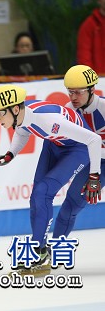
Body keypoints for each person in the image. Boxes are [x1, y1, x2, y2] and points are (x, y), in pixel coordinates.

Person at [0, 84, 102, 269]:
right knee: (36, 198)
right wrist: (10, 154)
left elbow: (94, 139)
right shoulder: (22, 116)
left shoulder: (48, 121)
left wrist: (94, 176)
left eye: (0, 113)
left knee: (42, 193)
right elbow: (22, 132)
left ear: (15, 109)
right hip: (53, 145)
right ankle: (40, 249)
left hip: (77, 149)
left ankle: (39, 253)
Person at [56, 65, 103, 240]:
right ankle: (55, 251)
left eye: (78, 92)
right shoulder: (68, 110)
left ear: (92, 90)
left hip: (97, 168)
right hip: (94, 164)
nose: (73, 97)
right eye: (70, 92)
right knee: (70, 206)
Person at [77, 0, 105, 74]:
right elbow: (84, 55)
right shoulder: (89, 25)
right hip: (98, 78)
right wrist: (90, 77)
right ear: (99, 1)